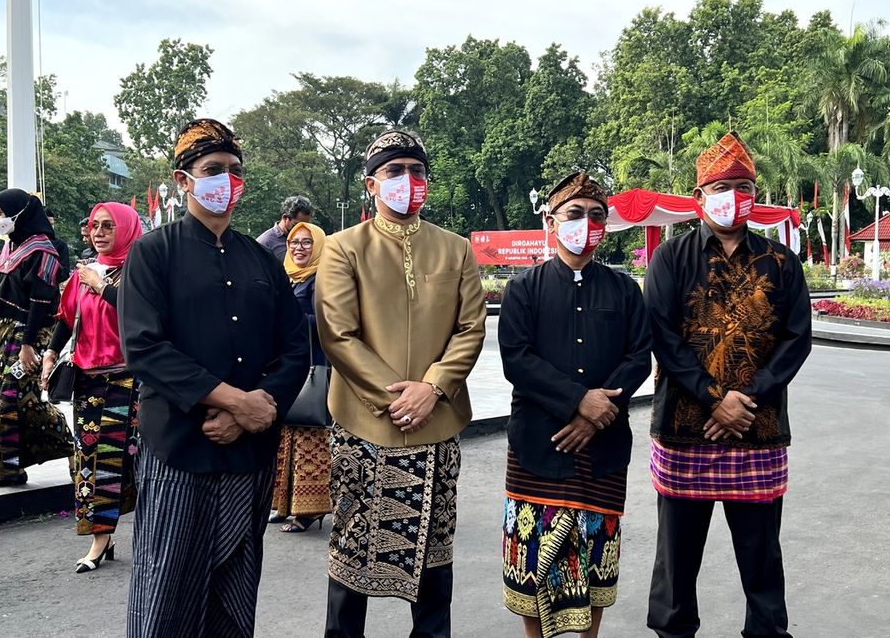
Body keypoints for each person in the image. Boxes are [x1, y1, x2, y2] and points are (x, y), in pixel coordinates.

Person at [120, 118, 309, 637]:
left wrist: (258, 407)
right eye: (212, 170)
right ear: (184, 181)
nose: (225, 180)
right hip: (181, 446)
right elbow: (144, 347)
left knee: (235, 587)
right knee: (167, 589)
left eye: (233, 170)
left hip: (248, 452)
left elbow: (295, 348)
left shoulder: (261, 261)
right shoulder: (152, 254)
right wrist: (232, 402)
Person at [316, 130, 487, 638]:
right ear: (371, 184)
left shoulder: (455, 249)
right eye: (394, 172)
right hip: (363, 428)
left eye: (416, 171)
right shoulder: (344, 247)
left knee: (436, 566)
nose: (407, 181)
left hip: (436, 428)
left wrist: (432, 387)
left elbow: (471, 327)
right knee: (351, 562)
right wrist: (399, 396)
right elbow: (338, 334)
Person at [643, 132, 812, 638]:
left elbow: (796, 339)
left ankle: (766, 632)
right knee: (677, 560)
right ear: (699, 197)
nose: (732, 195)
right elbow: (663, 338)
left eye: (742, 185)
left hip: (756, 429)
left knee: (762, 559)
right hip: (683, 428)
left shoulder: (782, 263)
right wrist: (715, 399)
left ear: (754, 194)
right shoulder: (670, 259)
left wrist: (748, 397)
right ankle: (673, 633)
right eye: (721, 185)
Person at [498, 172, 653, 638]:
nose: (586, 223)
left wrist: (596, 413)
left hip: (602, 450)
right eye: (574, 214)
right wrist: (578, 402)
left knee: (595, 566)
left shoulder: (625, 290)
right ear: (550, 221)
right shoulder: (524, 288)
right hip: (537, 447)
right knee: (532, 569)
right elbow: (517, 359)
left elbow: (639, 356)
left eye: (596, 215)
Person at [41, 202, 142, 574]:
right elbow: (68, 319)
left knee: (125, 457)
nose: (97, 232)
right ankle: (101, 536)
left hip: (129, 380)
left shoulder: (138, 270)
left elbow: (140, 313)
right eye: (94, 226)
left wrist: (101, 287)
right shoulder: (84, 272)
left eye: (107, 226)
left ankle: (149, 532)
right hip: (87, 378)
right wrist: (51, 352)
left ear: (126, 229)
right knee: (89, 459)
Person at [0, 189, 74, 487]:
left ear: (21, 213)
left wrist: (28, 346)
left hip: (30, 336)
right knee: (0, 402)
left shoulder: (43, 251)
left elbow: (41, 302)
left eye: (2, 214)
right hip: (3, 334)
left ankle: (70, 445)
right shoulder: (11, 247)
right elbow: (5, 298)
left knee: (21, 399)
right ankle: (9, 469)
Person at [271, 221, 333, 532]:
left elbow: (329, 322)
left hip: (312, 364)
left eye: (307, 243)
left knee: (310, 437)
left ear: (318, 246)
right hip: (287, 365)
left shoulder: (322, 278)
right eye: (295, 242)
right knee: (287, 438)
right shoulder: (288, 277)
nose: (299, 248)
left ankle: (310, 510)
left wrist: (290, 318)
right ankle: (283, 505)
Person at [256, 195, 314, 260]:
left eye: (305, 225)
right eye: (296, 225)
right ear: (285, 218)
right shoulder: (265, 242)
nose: (301, 229)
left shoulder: (310, 238)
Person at [43, 207, 72, 282]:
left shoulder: (60, 245)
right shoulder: (28, 244)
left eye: (52, 224)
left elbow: (65, 273)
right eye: (47, 224)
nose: (50, 227)